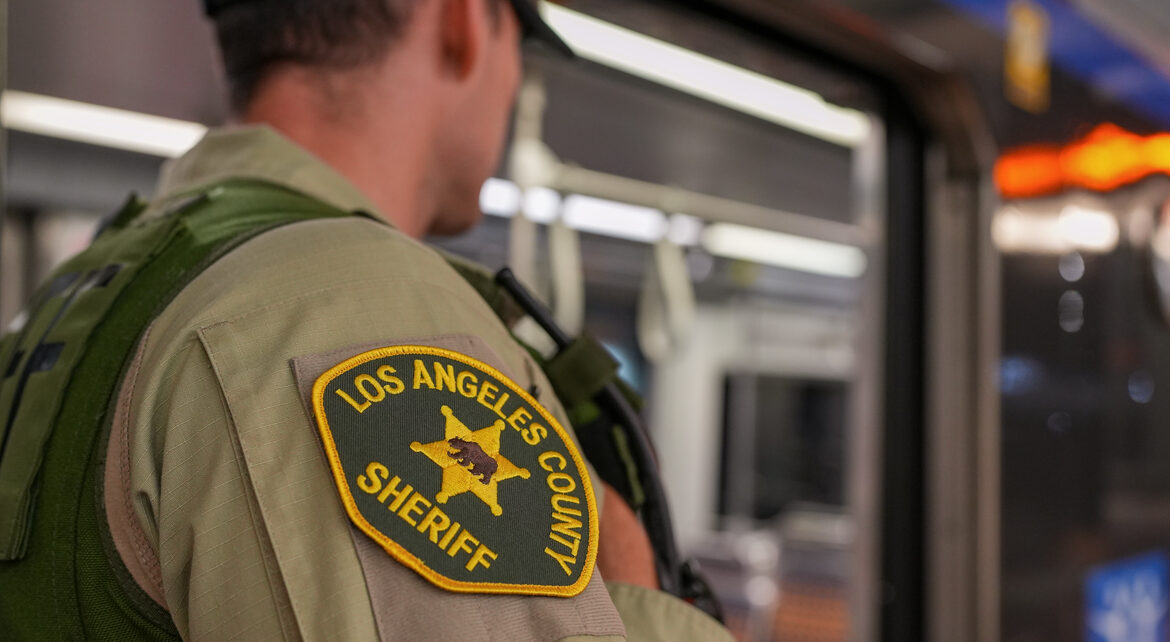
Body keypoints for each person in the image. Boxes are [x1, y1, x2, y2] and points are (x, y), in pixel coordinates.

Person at [0, 0, 732, 640]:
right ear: (462, 19)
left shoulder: (100, 283)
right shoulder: (348, 305)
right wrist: (641, 599)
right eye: (522, 47)